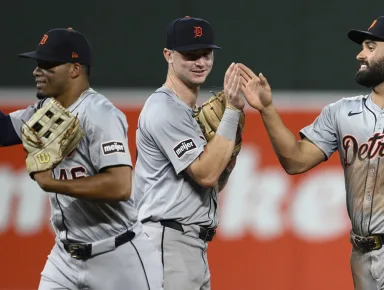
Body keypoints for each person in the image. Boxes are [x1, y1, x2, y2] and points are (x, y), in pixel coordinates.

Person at [238, 16, 384, 289]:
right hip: (360, 252)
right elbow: (295, 161)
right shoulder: (341, 112)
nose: (360, 54)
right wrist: (267, 110)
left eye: (370, 46)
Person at [1, 27, 163, 290]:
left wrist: (53, 184)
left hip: (118, 256)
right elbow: (3, 131)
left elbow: (120, 185)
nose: (36, 71)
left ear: (74, 69)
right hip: (65, 258)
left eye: (47, 64)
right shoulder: (45, 109)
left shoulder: (100, 114)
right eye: (37, 64)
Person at [133, 16, 244, 290]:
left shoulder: (188, 112)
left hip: (188, 244)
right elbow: (205, 174)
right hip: (166, 242)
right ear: (168, 55)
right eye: (190, 55)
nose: (200, 62)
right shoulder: (164, 108)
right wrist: (231, 112)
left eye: (206, 54)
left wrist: (230, 152)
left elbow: (215, 182)